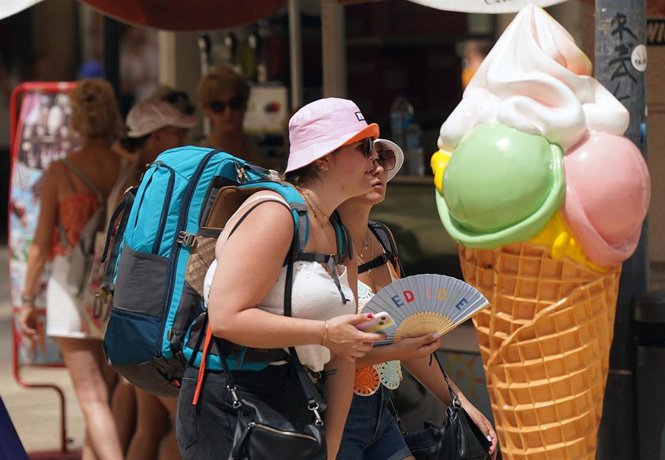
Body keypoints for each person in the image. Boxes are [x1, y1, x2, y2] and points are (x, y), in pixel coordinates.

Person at [176, 98, 387, 460]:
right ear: (323, 158)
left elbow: (343, 354)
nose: (375, 159)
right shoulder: (274, 215)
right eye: (363, 147)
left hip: (294, 397)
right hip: (231, 401)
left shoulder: (339, 233)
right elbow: (227, 318)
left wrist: (330, 450)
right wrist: (323, 334)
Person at [336, 138, 499, 460]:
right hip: (331, 415)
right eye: (367, 158)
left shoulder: (382, 238)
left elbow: (403, 336)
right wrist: (399, 349)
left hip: (379, 412)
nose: (378, 167)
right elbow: (321, 359)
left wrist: (459, 402)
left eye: (382, 158)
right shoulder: (318, 244)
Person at [18, 79, 125, 460]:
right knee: (107, 397)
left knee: (92, 399)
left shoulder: (61, 172)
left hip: (69, 291)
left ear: (76, 120)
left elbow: (42, 245)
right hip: (115, 290)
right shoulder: (127, 167)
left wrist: (27, 299)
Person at [111, 98, 197, 460]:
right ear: (154, 137)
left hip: (132, 313)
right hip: (148, 317)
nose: (183, 139)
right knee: (182, 426)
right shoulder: (149, 184)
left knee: (151, 427)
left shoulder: (135, 180)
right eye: (176, 133)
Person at [195, 65, 263, 165]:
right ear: (206, 111)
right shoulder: (201, 158)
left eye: (234, 103)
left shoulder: (259, 149)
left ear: (245, 104)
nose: (228, 113)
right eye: (218, 106)